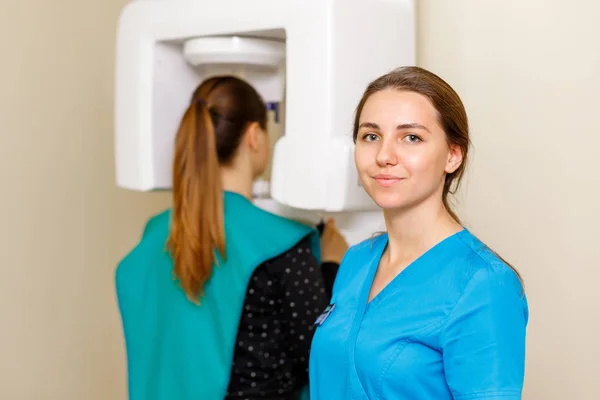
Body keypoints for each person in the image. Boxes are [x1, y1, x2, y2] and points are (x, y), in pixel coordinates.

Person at [115, 76, 349, 400]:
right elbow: (320, 358)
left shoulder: (155, 235)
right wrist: (331, 266)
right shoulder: (284, 246)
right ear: (254, 136)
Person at [309, 66, 528, 399]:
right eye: (371, 136)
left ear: (453, 155)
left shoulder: (484, 284)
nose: (384, 156)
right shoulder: (356, 261)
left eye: (411, 137)